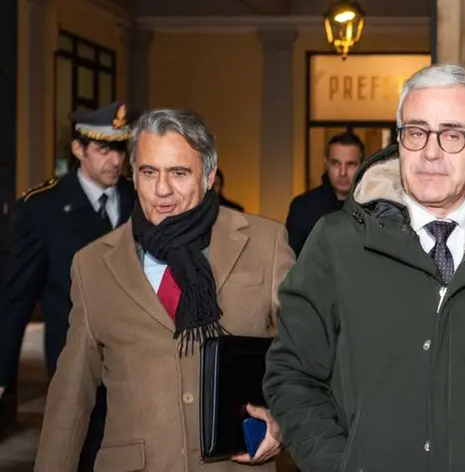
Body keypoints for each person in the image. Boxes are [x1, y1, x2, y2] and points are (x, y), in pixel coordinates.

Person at [264, 64, 465, 472]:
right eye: (416, 132)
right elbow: (293, 374)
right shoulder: (338, 242)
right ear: (399, 142)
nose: (431, 151)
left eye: (453, 135)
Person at [33, 108, 295, 472]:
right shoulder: (93, 264)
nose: (162, 190)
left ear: (208, 176)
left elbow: (308, 353)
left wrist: (281, 421)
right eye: (149, 172)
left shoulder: (265, 244)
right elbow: (71, 396)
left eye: (179, 173)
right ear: (134, 176)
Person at [0, 101, 136, 471]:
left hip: (136, 355)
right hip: (74, 358)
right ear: (78, 149)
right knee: (82, 452)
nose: (115, 161)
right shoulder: (42, 208)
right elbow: (17, 295)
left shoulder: (140, 200)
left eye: (120, 148)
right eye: (103, 149)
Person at [284, 131, 364, 256]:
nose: (342, 173)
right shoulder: (302, 208)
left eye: (351, 164)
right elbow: (290, 262)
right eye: (336, 163)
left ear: (361, 166)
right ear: (326, 163)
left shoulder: (374, 209)